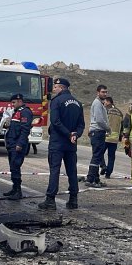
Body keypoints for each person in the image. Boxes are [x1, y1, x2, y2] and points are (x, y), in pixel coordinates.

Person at [39, 78, 85, 211]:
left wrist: (68, 134)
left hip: (58, 142)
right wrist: (75, 135)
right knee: (72, 171)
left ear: (61, 88)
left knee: (55, 170)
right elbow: (81, 124)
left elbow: (55, 121)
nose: (54, 89)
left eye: (55, 87)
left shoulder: (57, 101)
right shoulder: (78, 103)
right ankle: (73, 200)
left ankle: (50, 200)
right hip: (71, 144)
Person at [1, 93, 34, 200]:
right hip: (11, 143)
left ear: (20, 101)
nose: (12, 105)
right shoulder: (16, 112)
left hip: (17, 144)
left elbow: (25, 130)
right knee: (13, 167)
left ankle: (18, 191)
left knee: (15, 167)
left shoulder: (25, 112)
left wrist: (20, 144)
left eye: (14, 102)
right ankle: (14, 188)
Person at [84, 85, 111, 188]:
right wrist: (108, 128)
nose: (105, 94)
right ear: (98, 92)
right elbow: (99, 120)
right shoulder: (97, 103)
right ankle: (90, 179)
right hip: (98, 132)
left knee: (98, 156)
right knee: (96, 157)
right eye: (103, 92)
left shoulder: (100, 103)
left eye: (106, 92)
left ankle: (96, 179)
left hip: (97, 132)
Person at [102, 96, 124, 179]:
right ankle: (108, 173)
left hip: (105, 136)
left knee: (99, 153)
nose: (104, 104)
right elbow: (122, 126)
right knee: (111, 157)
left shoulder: (105, 110)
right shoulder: (120, 112)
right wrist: (120, 136)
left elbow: (102, 121)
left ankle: (103, 166)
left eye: (104, 102)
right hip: (115, 138)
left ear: (108, 102)